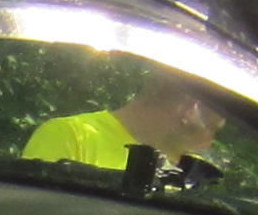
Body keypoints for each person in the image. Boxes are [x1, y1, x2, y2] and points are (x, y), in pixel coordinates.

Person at [27, 65, 224, 174]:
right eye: (212, 128)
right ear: (190, 110)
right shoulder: (70, 136)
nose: (207, 146)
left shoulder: (190, 175)